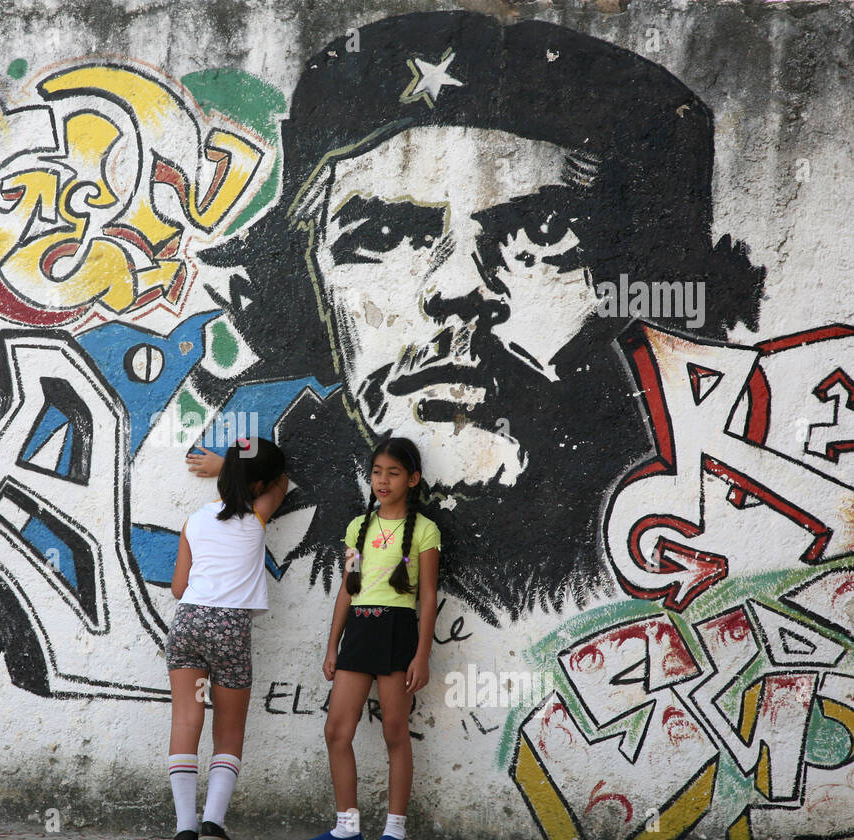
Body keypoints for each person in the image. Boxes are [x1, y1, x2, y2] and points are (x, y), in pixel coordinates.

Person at [197, 10, 765, 621]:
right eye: (384, 232)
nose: (460, 288)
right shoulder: (313, 557)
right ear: (314, 280)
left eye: (542, 230)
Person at [297, 436, 438, 840]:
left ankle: (395, 830)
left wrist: (422, 655)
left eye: (393, 473)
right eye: (377, 472)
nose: (383, 480)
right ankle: (347, 827)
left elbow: (428, 597)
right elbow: (347, 589)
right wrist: (331, 646)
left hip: (397, 633)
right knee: (336, 731)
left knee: (396, 732)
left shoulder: (425, 531)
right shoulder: (358, 527)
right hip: (358, 631)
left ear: (412, 479)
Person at [166, 437, 287, 840]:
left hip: (188, 623)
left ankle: (184, 827)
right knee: (228, 730)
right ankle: (212, 823)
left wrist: (233, 467)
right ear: (259, 486)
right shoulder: (257, 517)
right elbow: (281, 483)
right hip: (230, 629)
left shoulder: (195, 520)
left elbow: (179, 586)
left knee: (186, 722)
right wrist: (230, 466)